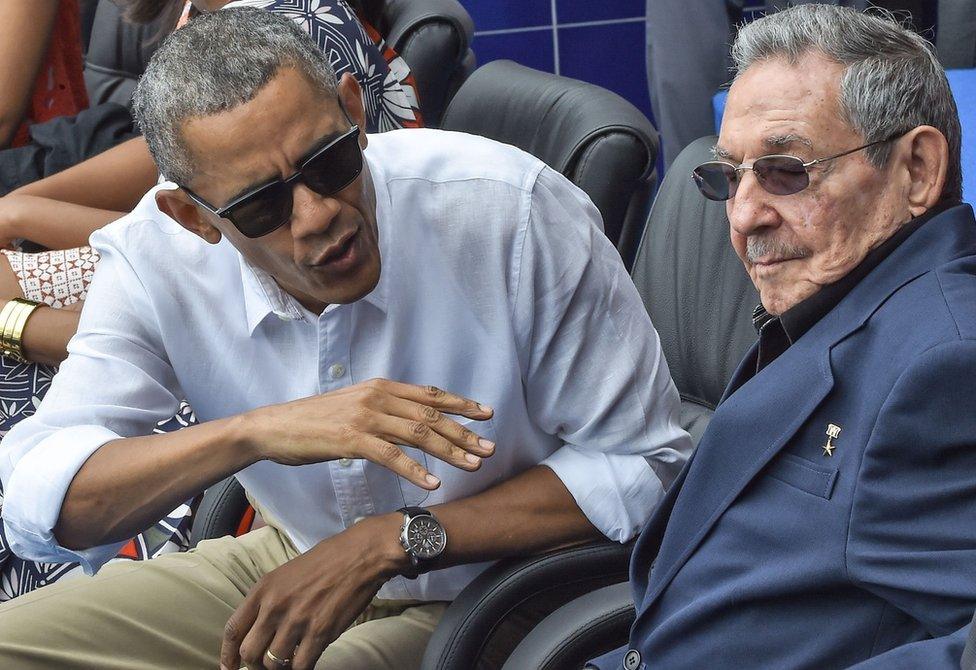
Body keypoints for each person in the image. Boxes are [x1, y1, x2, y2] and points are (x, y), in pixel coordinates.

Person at [0, 8, 691, 670]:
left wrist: (393, 541)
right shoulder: (157, 257)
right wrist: (252, 434)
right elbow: (43, 498)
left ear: (356, 114)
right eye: (262, 205)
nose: (318, 216)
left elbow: (645, 469)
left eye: (330, 164)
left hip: (498, 586)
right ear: (195, 218)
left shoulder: (508, 210)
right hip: (295, 555)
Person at [591, 5, 976, 669]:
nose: (741, 216)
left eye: (787, 172)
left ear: (915, 169)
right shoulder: (847, 294)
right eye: (728, 177)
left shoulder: (948, 364)